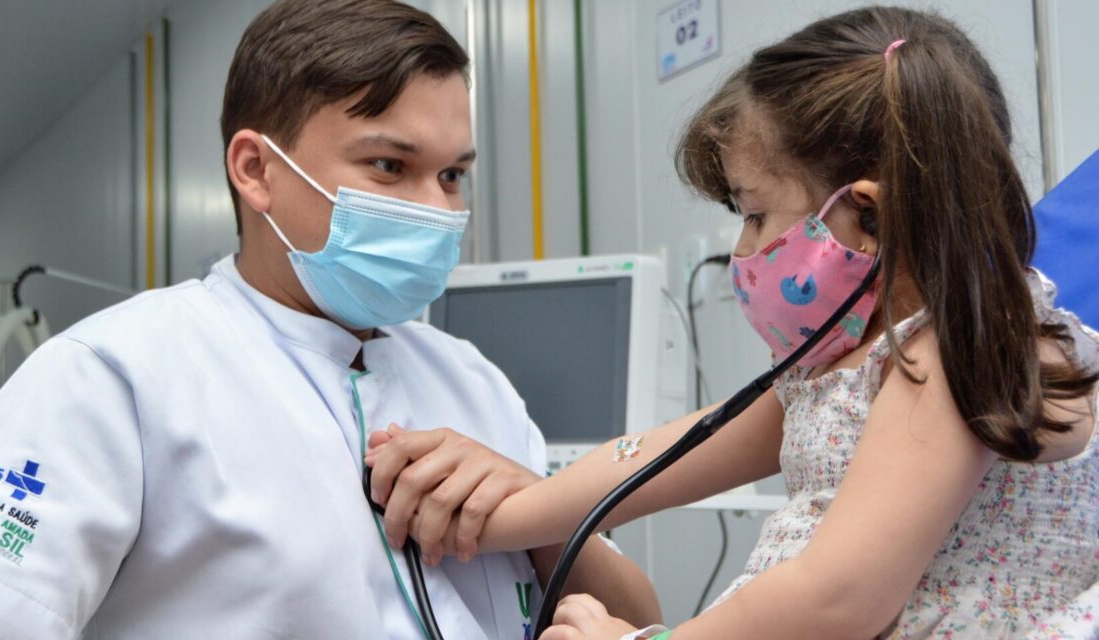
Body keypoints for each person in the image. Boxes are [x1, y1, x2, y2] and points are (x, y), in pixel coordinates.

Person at [0, 1, 659, 637]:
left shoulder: (472, 379)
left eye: (452, 175)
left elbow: (643, 621)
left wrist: (541, 511)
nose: (437, 209)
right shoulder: (115, 378)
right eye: (390, 165)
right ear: (256, 171)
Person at [369, 6, 1099, 639]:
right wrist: (502, 513)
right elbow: (656, 454)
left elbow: (837, 598)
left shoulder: (953, 356)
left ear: (868, 216)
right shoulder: (834, 371)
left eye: (755, 215)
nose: (744, 253)